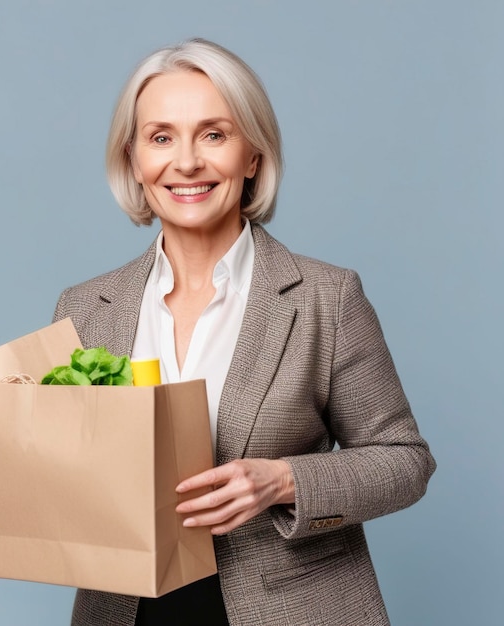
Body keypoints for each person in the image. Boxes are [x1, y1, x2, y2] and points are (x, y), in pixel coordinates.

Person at [52, 38, 436, 626]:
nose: (186, 163)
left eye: (214, 134)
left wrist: (281, 480)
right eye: (161, 138)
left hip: (291, 608)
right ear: (133, 160)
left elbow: (405, 463)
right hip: (123, 611)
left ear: (252, 155)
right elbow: (66, 476)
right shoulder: (84, 308)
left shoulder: (326, 299)